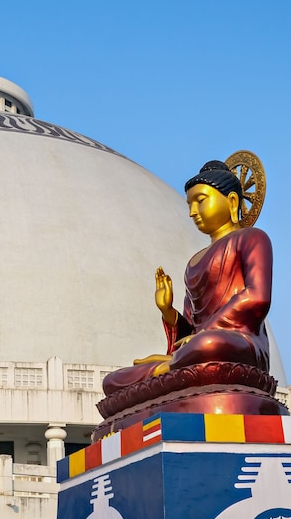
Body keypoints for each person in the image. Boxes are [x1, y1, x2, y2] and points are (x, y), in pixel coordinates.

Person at [101, 160, 272, 399]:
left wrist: (204, 334)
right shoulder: (194, 262)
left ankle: (170, 369)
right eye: (190, 204)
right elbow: (191, 328)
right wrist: (168, 311)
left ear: (232, 201)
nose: (193, 212)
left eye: (200, 201)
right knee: (113, 381)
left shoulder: (252, 239)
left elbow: (257, 296)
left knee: (209, 343)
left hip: (237, 342)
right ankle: (172, 367)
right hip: (195, 350)